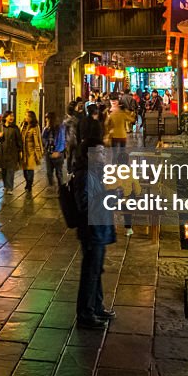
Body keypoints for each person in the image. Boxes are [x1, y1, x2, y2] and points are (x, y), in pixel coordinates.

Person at [72, 145, 116, 329]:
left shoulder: (95, 172)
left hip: (99, 228)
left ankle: (97, 307)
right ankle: (85, 314)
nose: (104, 155)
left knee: (96, 270)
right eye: (100, 152)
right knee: (90, 272)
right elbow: (84, 204)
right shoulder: (84, 175)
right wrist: (108, 196)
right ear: (90, 154)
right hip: (92, 231)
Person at [0, 111, 23, 193]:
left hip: (12, 152)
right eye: (10, 116)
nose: (12, 117)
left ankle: (10, 188)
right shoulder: (0, 126)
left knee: (10, 170)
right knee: (3, 171)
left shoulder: (15, 128)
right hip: (2, 152)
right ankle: (5, 186)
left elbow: (19, 140)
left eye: (13, 116)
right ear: (5, 117)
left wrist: (20, 151)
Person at [19, 110, 44, 193]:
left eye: (27, 116)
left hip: (32, 151)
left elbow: (39, 139)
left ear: (31, 118)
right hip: (23, 150)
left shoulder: (35, 126)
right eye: (25, 115)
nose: (26, 117)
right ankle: (27, 182)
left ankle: (29, 184)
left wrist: (40, 150)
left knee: (30, 169)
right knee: (25, 170)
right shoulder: (23, 125)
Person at [42, 111, 67, 189]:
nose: (46, 120)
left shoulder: (60, 128)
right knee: (49, 172)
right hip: (49, 152)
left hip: (57, 153)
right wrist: (46, 128)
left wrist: (58, 151)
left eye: (47, 118)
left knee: (58, 172)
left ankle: (61, 187)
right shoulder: (47, 128)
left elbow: (61, 140)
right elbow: (43, 137)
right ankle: (51, 186)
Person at [63, 101, 82, 173]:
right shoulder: (76, 119)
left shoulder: (65, 120)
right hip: (75, 139)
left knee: (69, 156)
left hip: (68, 140)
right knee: (76, 155)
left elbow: (64, 131)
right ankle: (74, 168)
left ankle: (69, 169)